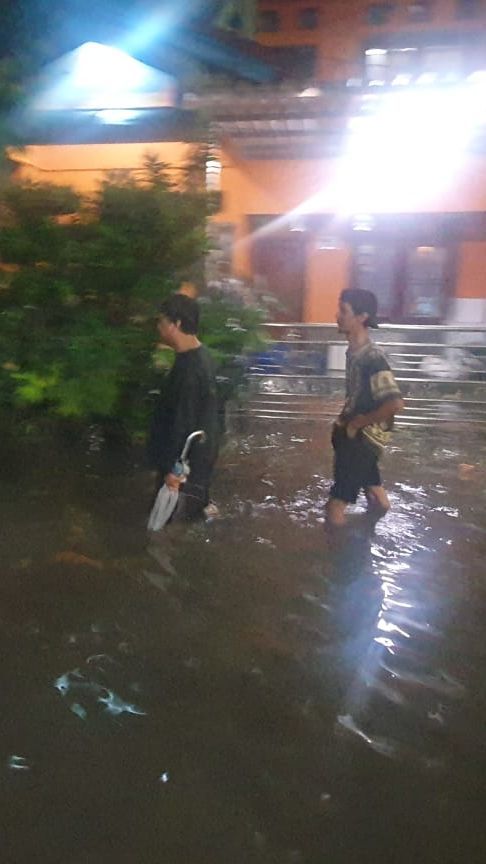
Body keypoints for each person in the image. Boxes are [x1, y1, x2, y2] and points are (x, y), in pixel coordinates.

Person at [326, 288, 404, 527]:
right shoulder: (355, 352)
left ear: (362, 317)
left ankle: (341, 557)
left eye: (344, 311)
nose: (338, 316)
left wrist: (357, 423)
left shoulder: (373, 358)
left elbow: (395, 403)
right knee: (378, 500)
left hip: (362, 439)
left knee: (335, 505)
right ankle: (368, 532)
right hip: (358, 435)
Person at [147, 293, 219, 521]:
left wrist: (173, 470)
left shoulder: (189, 371)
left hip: (185, 468)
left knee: (171, 528)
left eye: (162, 321)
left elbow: (183, 422)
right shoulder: (200, 357)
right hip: (198, 462)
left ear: (176, 324)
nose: (159, 327)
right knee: (191, 516)